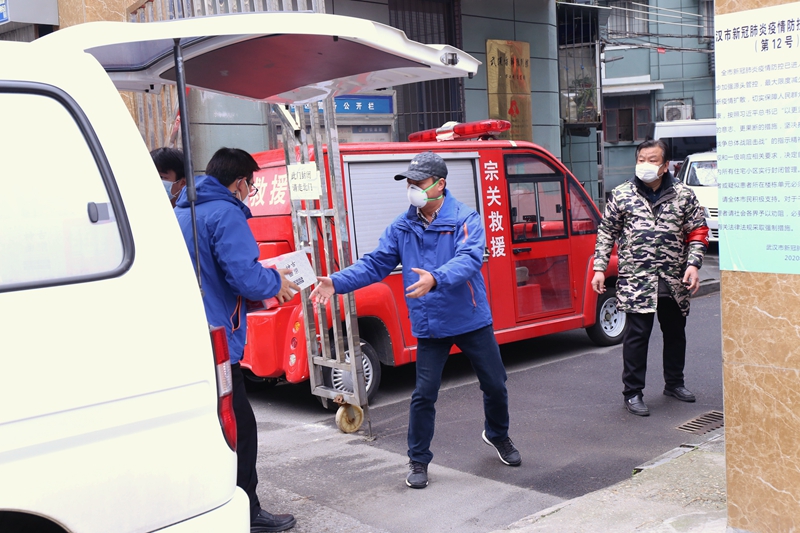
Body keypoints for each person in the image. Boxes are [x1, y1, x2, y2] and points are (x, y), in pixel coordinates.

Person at [310, 151, 520, 489]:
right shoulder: (402, 226)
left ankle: (497, 435)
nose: (413, 189)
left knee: (495, 383)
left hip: (470, 317)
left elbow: (469, 259)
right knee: (424, 394)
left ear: (440, 184)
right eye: (409, 183)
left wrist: (435, 278)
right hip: (430, 322)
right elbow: (375, 263)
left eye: (419, 183)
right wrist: (337, 282)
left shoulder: (465, 218)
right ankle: (418, 459)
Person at [174, 147, 300, 532]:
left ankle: (209, 504)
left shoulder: (183, 210)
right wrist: (276, 282)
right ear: (241, 182)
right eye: (251, 186)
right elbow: (245, 277)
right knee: (241, 429)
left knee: (209, 428)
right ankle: (247, 512)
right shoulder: (226, 213)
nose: (250, 193)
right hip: (218, 343)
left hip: (189, 333)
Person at [592, 139, 709, 417]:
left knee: (675, 333)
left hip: (673, 278)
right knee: (637, 336)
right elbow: (606, 232)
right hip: (637, 280)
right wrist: (599, 268)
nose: (645, 164)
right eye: (641, 159)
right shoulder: (622, 194)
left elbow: (698, 231)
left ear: (665, 165)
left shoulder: (683, 195)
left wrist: (693, 265)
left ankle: (674, 383)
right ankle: (632, 392)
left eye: (652, 160)